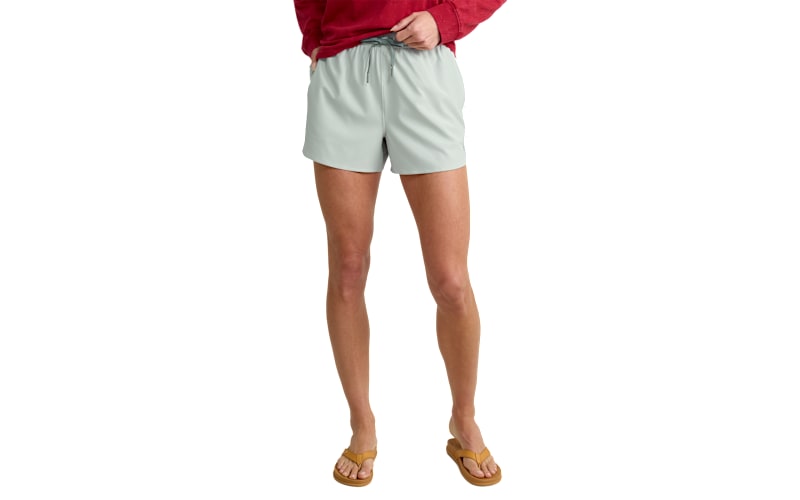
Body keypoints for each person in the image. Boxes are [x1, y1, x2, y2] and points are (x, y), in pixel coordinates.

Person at [294, 0, 507, 487]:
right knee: (348, 268)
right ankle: (361, 423)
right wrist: (314, 40)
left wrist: (446, 20)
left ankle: (464, 419)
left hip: (423, 66)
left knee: (451, 280)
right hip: (343, 71)